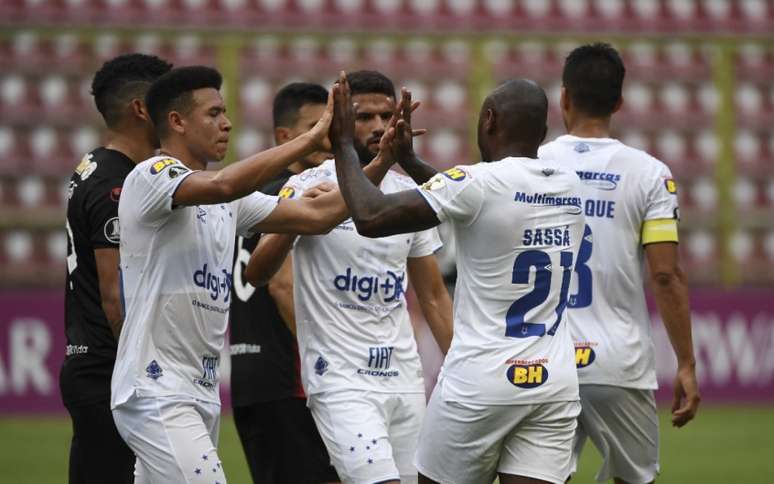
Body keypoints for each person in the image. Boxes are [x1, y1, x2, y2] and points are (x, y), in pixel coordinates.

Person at [110, 65, 374, 484]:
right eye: (213, 113)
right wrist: (309, 137)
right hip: (157, 389)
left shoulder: (230, 202)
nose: (227, 122)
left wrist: (383, 163)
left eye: (226, 111)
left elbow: (317, 216)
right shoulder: (150, 176)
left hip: (199, 390)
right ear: (176, 121)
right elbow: (221, 186)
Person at [330, 73, 586, 484]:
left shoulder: (478, 183)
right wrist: (411, 162)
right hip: (552, 380)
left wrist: (342, 142)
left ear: (488, 120)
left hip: (480, 382)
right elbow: (480, 202)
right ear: (542, 131)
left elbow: (370, 216)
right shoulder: (569, 186)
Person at [245, 70, 453, 484]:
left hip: (404, 377)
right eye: (363, 117)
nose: (377, 125)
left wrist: (465, 366)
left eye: (386, 115)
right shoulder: (304, 185)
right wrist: (299, 221)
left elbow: (432, 294)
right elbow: (258, 272)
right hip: (340, 379)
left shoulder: (406, 195)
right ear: (339, 119)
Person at [538, 43, 700, 484]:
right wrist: (685, 363)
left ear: (564, 98)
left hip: (544, 361)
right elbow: (665, 274)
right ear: (620, 102)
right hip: (618, 362)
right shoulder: (650, 173)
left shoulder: (531, 165)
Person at [61, 53, 172, 484]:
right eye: (168, 101)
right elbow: (114, 294)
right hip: (109, 370)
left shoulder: (93, 164)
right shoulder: (116, 182)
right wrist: (144, 375)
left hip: (91, 363)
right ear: (143, 109)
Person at [229, 82, 338, 483]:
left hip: (251, 375)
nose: (328, 136)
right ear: (284, 138)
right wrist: (334, 358)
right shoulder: (295, 200)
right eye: (316, 126)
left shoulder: (255, 196)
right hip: (291, 376)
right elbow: (281, 285)